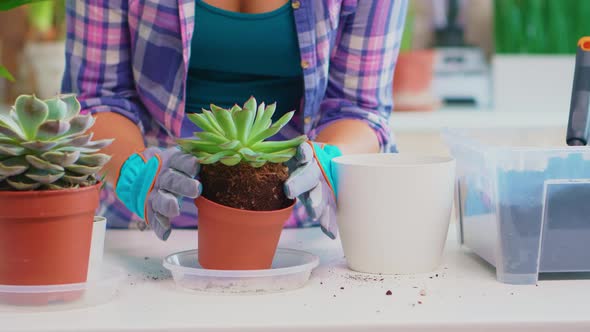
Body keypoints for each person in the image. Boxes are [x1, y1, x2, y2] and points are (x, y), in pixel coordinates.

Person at [61, 0, 408, 240]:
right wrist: (135, 173)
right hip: (142, 232)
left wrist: (333, 160)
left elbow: (359, 107)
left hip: (303, 232)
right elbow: (97, 98)